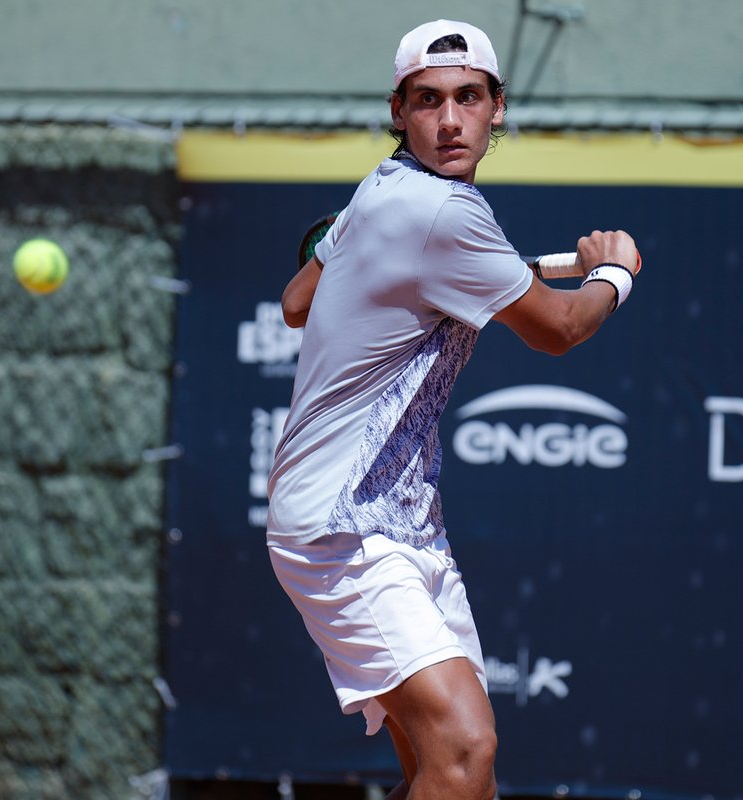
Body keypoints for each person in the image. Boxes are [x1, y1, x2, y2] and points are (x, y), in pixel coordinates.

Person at [265, 18, 640, 800]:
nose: (449, 120)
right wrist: (614, 273)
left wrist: (365, 262)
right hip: (343, 526)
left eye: (468, 98)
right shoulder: (443, 214)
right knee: (465, 752)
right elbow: (561, 329)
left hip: (400, 522)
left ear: (496, 107)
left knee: (453, 781)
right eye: (428, 101)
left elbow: (298, 300)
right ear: (399, 111)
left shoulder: (381, 187)